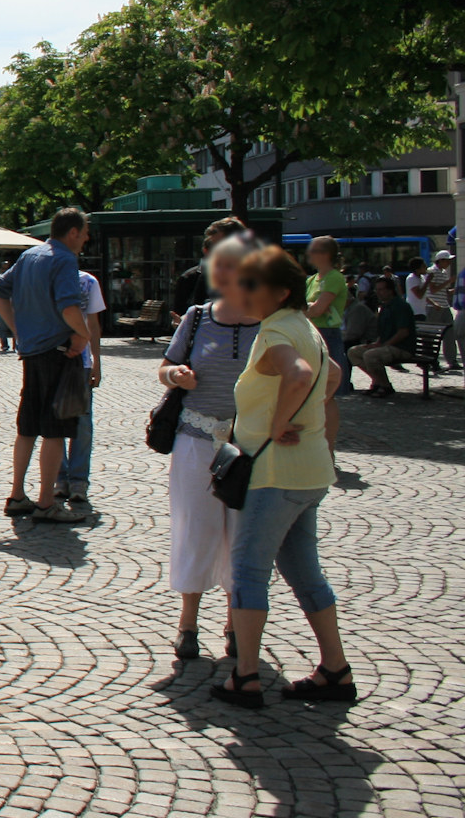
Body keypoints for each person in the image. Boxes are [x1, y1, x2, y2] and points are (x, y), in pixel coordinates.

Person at [213, 244, 354, 708]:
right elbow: (330, 375)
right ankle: (335, 668)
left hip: (274, 474)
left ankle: (246, 676)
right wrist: (307, 419)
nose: (244, 294)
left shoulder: (276, 333)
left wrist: (278, 421)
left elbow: (300, 375)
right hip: (309, 470)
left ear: (280, 292)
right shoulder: (304, 326)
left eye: (253, 286)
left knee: (250, 570)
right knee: (302, 569)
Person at [156, 235, 258, 661]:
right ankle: (188, 624)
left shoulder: (269, 322)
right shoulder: (197, 318)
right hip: (196, 439)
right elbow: (164, 368)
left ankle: (236, 624)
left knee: (243, 536)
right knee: (195, 531)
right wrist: (176, 375)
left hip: (250, 444)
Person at [0, 207, 96, 524]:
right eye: (85, 232)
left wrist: (17, 329)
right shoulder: (64, 259)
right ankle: (47, 501)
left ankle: (17, 494)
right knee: (54, 430)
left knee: (27, 427)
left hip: (32, 353)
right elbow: (68, 306)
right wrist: (84, 334)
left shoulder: (30, 255)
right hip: (57, 353)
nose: (87, 238)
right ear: (73, 232)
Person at [57, 269, 105, 505]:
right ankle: (59, 478)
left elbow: (93, 324)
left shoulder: (87, 281)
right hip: (51, 359)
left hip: (82, 361)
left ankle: (78, 481)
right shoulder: (46, 276)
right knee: (53, 422)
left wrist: (96, 360)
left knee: (82, 423)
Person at [302, 236, 352, 432]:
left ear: (325, 255)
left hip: (327, 336)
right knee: (313, 393)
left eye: (313, 251)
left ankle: (329, 451)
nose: (309, 255)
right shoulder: (312, 279)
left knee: (326, 396)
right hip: (311, 334)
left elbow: (318, 310)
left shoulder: (334, 277)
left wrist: (300, 309)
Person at [348, 277, 416, 398]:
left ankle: (385, 386)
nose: (378, 292)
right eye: (376, 290)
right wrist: (377, 343)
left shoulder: (401, 306)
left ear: (390, 290)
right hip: (386, 345)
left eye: (381, 289)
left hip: (402, 347)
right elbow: (383, 332)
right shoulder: (384, 307)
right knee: (354, 352)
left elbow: (403, 332)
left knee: (371, 355)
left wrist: (385, 344)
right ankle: (377, 381)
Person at [426, 250, 457, 368]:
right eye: (448, 260)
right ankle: (430, 360)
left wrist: (454, 290)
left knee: (450, 333)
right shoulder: (432, 271)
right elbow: (433, 289)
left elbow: (442, 291)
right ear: (441, 260)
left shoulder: (443, 272)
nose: (449, 263)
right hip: (434, 307)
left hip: (444, 305)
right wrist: (449, 282)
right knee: (431, 335)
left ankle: (452, 360)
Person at [0, 260, 14, 351]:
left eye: (7, 267)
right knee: (3, 328)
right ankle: (4, 345)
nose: (6, 270)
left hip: (14, 305)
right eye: (4, 268)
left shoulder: (14, 279)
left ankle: (16, 346)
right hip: (3, 305)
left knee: (15, 327)